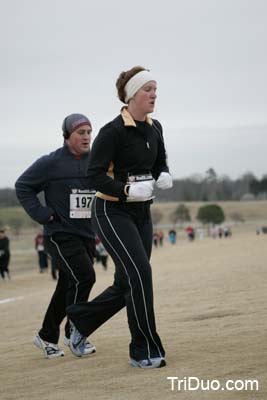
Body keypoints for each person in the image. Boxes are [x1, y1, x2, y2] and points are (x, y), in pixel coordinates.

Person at [67, 66, 173, 369]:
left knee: (129, 279)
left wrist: (163, 174)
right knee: (141, 274)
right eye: (148, 89)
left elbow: (160, 161)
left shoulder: (156, 128)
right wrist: (126, 190)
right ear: (132, 96)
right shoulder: (112, 132)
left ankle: (81, 318)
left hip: (142, 213)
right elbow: (94, 176)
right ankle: (144, 350)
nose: (154, 95)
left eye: (155, 89)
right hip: (111, 211)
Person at [15, 113, 96, 359]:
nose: (86, 137)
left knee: (67, 285)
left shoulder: (96, 160)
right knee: (85, 277)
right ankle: (74, 331)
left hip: (86, 233)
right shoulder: (50, 163)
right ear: (67, 136)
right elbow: (23, 186)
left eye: (89, 132)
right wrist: (41, 214)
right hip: (59, 233)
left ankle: (46, 336)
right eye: (80, 133)